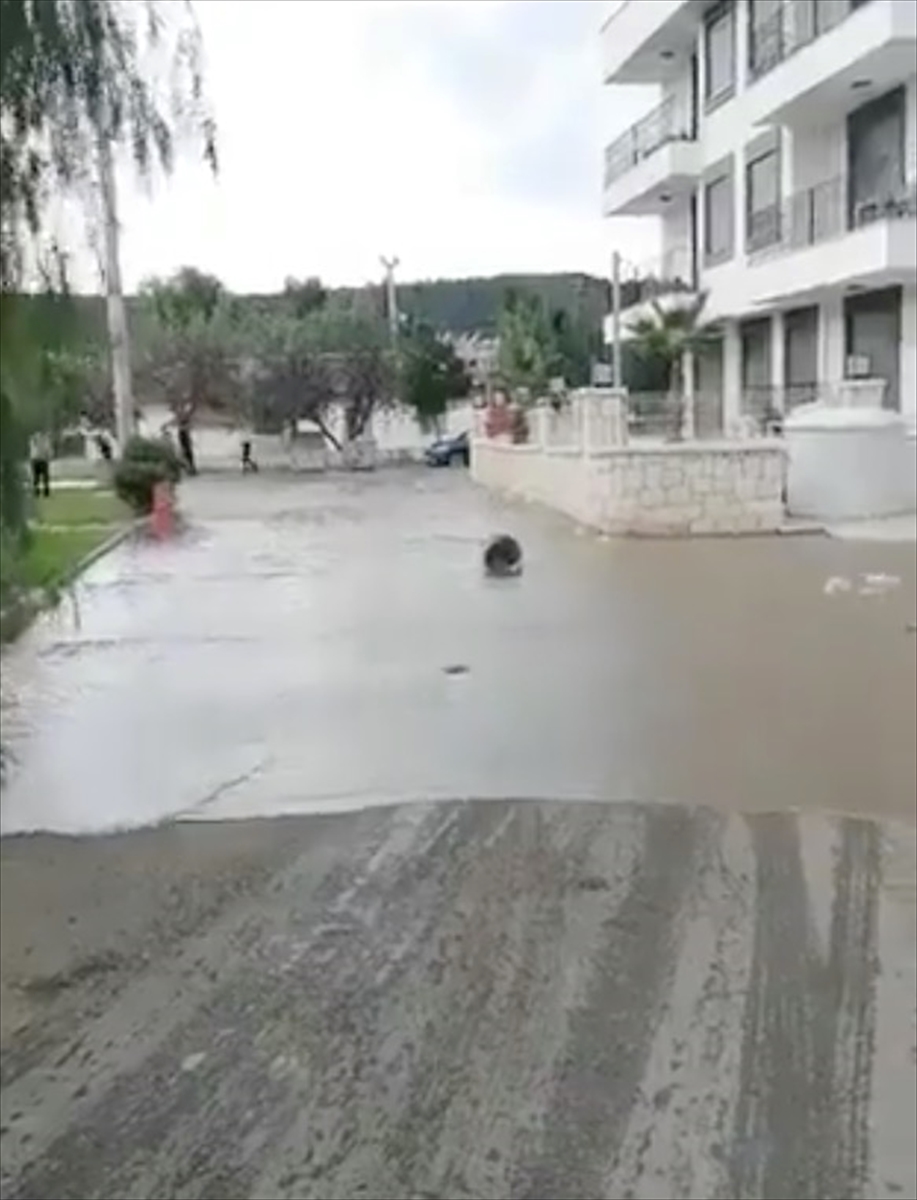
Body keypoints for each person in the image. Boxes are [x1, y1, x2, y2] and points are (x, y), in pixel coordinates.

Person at [29, 429, 53, 498]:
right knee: (37, 477)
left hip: (40, 459)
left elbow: (47, 448)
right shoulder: (36, 438)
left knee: (42, 477)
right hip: (38, 459)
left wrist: (48, 456)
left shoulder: (44, 438)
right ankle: (39, 491)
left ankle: (43, 491)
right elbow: (47, 448)